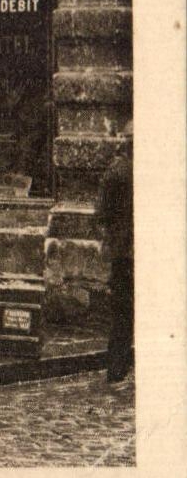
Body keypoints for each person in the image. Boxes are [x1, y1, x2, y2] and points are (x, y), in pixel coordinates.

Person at [97, 119, 134, 385]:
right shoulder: (121, 172)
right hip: (127, 252)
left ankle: (117, 367)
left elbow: (101, 214)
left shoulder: (119, 171)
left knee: (123, 312)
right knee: (123, 310)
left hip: (126, 251)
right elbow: (103, 214)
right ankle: (117, 367)